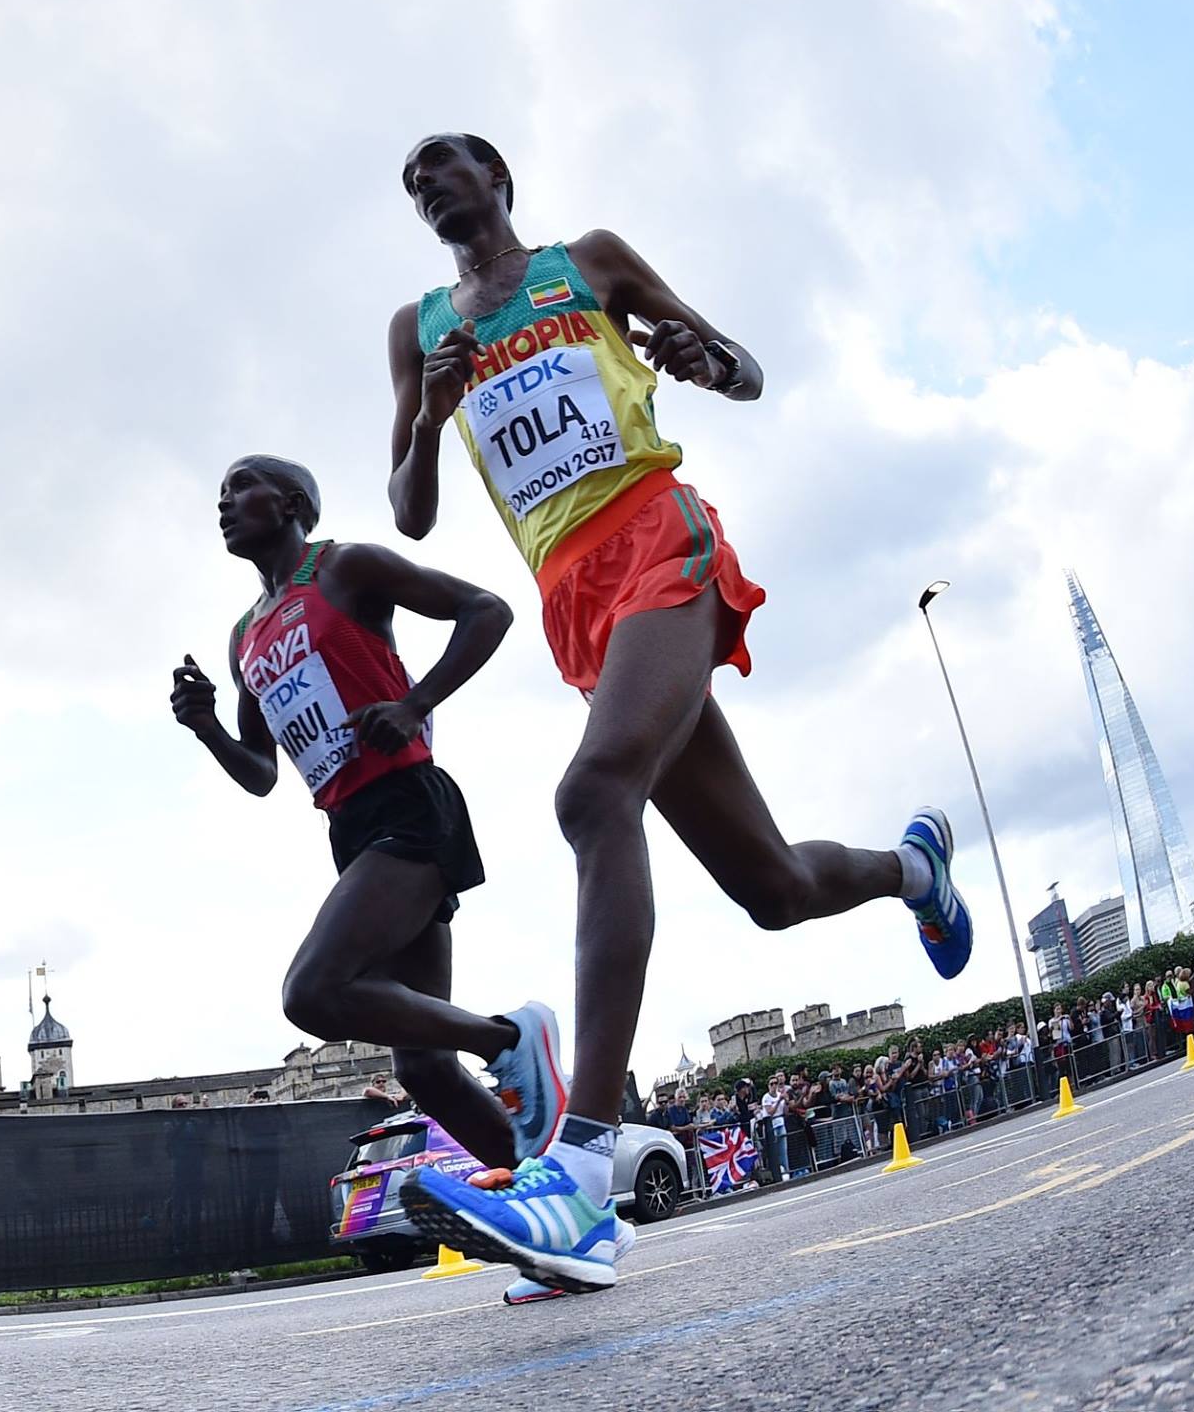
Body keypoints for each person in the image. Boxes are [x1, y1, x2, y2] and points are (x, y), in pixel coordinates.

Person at [383, 133, 975, 1294]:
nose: (426, 183)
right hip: (574, 597)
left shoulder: (586, 263)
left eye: (443, 163)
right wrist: (427, 415)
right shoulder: (419, 329)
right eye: (410, 182)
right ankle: (913, 869)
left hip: (657, 535)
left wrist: (707, 360)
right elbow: (408, 509)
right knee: (772, 888)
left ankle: (577, 1180)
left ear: (496, 178)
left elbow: (741, 368)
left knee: (592, 790)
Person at [170, 454, 603, 1306]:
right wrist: (208, 727)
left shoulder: (345, 567)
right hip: (351, 829)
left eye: (240, 486)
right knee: (424, 1071)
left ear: (291, 502)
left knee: (313, 992)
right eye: (216, 493)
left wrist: (414, 703)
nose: (223, 502)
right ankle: (567, 1224)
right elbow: (261, 771)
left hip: (409, 804)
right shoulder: (244, 636)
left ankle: (509, 1039)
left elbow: (487, 610)